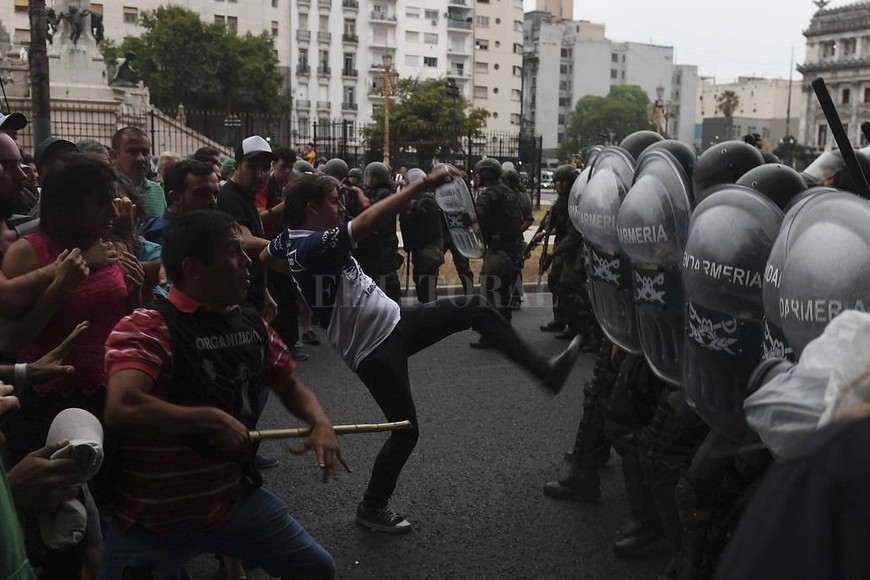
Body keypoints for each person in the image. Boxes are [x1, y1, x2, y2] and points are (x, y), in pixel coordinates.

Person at [262, 170, 583, 533]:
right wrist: (424, 184)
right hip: (375, 351)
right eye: (335, 201)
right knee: (407, 431)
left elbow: (262, 251)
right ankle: (372, 506)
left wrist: (272, 238)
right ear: (311, 207)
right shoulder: (313, 245)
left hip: (398, 322)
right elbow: (369, 219)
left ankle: (546, 371)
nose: (341, 207)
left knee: (477, 306)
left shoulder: (290, 242)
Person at [100, 209, 346, 579]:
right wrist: (208, 418)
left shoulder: (250, 322)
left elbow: (291, 387)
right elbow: (123, 406)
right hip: (152, 521)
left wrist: (320, 421)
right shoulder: (145, 327)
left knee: (316, 568)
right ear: (194, 268)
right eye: (233, 251)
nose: (248, 261)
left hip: (232, 502)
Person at [470, 158, 525, 348]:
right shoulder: (508, 192)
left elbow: (476, 217)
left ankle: (492, 336)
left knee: (488, 292)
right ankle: (505, 333)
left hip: (496, 251)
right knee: (503, 292)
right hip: (512, 251)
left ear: (485, 175)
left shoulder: (489, 195)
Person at [354, 161, 401, 303]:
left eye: (373, 177)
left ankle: (393, 306)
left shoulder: (385, 193)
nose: (370, 180)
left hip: (384, 242)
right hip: (373, 243)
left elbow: (368, 207)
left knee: (387, 278)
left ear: (380, 178)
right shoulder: (373, 191)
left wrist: (358, 192)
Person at [141, 159, 221, 244]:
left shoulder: (215, 229)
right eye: (202, 193)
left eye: (215, 194)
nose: (213, 201)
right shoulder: (161, 238)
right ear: (175, 198)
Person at [110, 127, 166, 219]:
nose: (141, 158)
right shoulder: (105, 190)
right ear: (114, 156)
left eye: (145, 153)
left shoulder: (157, 190)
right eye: (133, 152)